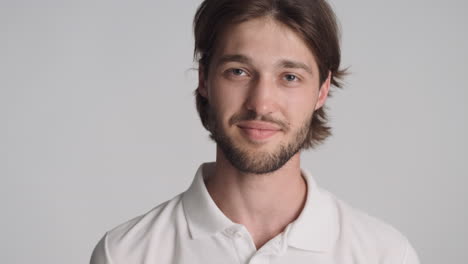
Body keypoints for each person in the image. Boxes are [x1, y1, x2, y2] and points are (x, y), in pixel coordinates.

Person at [90, 0, 420, 263]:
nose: (261, 104)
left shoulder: (385, 255)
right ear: (204, 80)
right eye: (238, 71)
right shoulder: (125, 254)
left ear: (322, 90)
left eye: (290, 76)